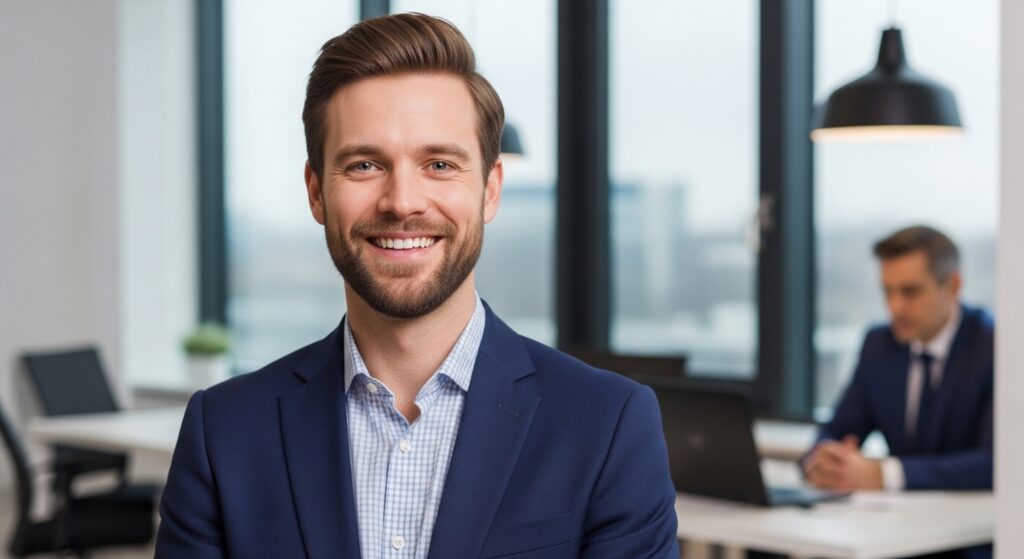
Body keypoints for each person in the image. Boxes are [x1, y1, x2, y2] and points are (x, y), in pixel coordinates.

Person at [155, 13, 679, 559]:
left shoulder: (607, 424)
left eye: (439, 163)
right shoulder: (224, 432)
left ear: (490, 190)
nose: (402, 200)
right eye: (364, 164)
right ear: (316, 192)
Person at [804, 225, 993, 559]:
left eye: (910, 292)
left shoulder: (993, 345)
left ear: (953, 286)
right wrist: (825, 458)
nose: (895, 307)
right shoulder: (880, 345)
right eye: (887, 292)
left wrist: (884, 474)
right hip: (893, 539)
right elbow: (838, 427)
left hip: (964, 544)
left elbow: (995, 463)